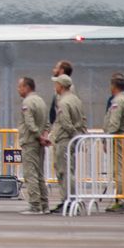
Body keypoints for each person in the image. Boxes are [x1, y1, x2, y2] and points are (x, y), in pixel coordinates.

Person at [43, 74, 86, 213]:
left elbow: (65, 122)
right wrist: (80, 135)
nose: (55, 86)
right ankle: (70, 200)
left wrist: (74, 135)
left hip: (65, 140)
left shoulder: (63, 102)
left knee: (64, 171)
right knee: (69, 170)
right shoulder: (76, 100)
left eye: (56, 84)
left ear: (61, 86)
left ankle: (68, 200)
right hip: (72, 139)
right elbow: (82, 119)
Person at [103, 74, 124, 213]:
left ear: (113, 86)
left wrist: (107, 138)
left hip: (120, 138)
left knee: (120, 171)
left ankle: (123, 200)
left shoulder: (117, 101)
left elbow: (114, 123)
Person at [16, 76, 49, 214]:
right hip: (40, 142)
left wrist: (38, 136)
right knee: (40, 173)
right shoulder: (41, 101)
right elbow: (47, 124)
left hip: (30, 141)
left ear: (27, 87)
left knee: (31, 174)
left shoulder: (27, 102)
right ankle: (44, 204)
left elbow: (29, 123)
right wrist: (44, 137)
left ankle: (35, 205)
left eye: (20, 86)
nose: (18, 90)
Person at [48, 60, 73, 125]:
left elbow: (64, 113)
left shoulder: (68, 88)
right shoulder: (59, 87)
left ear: (62, 70)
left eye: (56, 68)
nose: (53, 70)